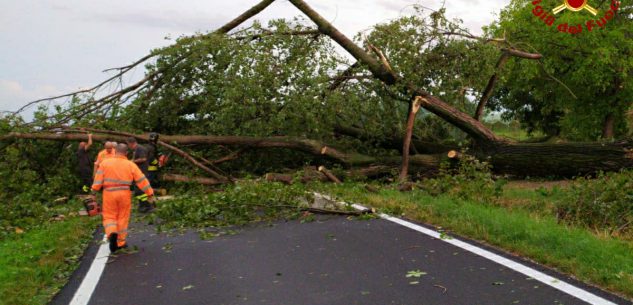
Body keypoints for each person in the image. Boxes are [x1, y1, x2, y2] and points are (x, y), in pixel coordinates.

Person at [92, 143, 155, 252]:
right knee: (122, 217)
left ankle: (111, 233)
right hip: (124, 193)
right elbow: (141, 180)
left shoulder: (105, 163)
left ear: (115, 151)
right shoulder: (130, 164)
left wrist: (94, 190)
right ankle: (120, 243)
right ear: (126, 153)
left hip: (109, 193)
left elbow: (98, 180)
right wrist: (150, 193)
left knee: (109, 216)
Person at [126, 137, 152, 212]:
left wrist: (132, 161)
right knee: (138, 190)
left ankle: (147, 206)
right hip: (138, 173)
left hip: (142, 172)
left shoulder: (140, 148)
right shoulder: (136, 149)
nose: (128, 146)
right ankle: (143, 205)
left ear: (131, 143)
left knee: (140, 190)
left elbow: (143, 159)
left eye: (128, 144)